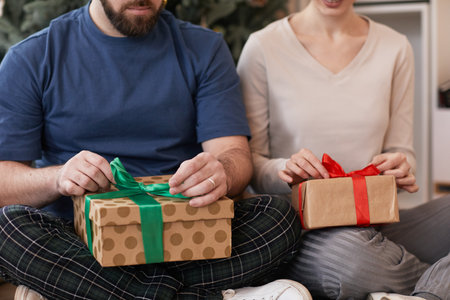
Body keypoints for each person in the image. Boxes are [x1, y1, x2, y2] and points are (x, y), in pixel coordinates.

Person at [0, 0, 310, 299]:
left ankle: (88, 292)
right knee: (8, 229)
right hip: (81, 243)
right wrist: (57, 178)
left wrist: (223, 172)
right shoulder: (33, 56)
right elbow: (5, 182)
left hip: (187, 234)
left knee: (278, 218)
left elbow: (234, 154)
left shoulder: (204, 49)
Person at [237, 0, 450, 299]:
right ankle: (437, 284)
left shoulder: (395, 47)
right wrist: (286, 169)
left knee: (371, 254)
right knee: (354, 264)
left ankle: (417, 284)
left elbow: (402, 151)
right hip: (306, 233)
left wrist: (401, 168)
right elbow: (251, 165)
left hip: (377, 223)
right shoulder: (263, 46)